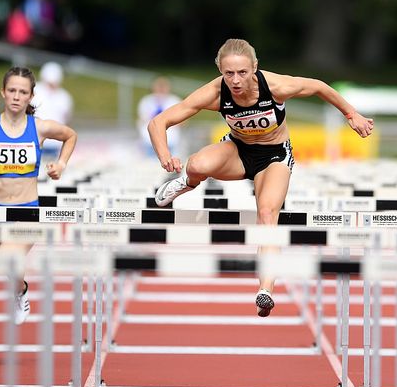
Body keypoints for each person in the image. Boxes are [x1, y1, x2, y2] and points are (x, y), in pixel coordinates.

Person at [148, 38, 373, 317]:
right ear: (220, 70)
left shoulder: (275, 86)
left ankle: (265, 290)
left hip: (274, 157)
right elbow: (158, 122)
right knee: (196, 164)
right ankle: (185, 184)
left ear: (255, 67)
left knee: (267, 213)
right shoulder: (215, 93)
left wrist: (352, 115)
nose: (236, 80)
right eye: (228, 73)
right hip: (238, 151)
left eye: (242, 72)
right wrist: (164, 155)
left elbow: (318, 86)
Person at [0, 66, 77, 364]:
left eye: (23, 92)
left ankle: (19, 288)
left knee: (9, 259)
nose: (16, 96)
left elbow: (71, 135)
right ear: (3, 92)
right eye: (12, 90)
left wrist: (61, 164)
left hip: (25, 212)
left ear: (30, 96)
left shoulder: (40, 127)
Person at [31, 61, 74, 159]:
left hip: (55, 145)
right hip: (34, 142)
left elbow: (66, 120)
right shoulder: (34, 91)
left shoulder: (64, 97)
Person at [137, 76, 182, 158]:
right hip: (149, 141)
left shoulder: (175, 101)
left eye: (164, 85)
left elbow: (182, 122)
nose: (161, 88)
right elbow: (143, 119)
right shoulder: (146, 101)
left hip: (171, 141)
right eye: (159, 85)